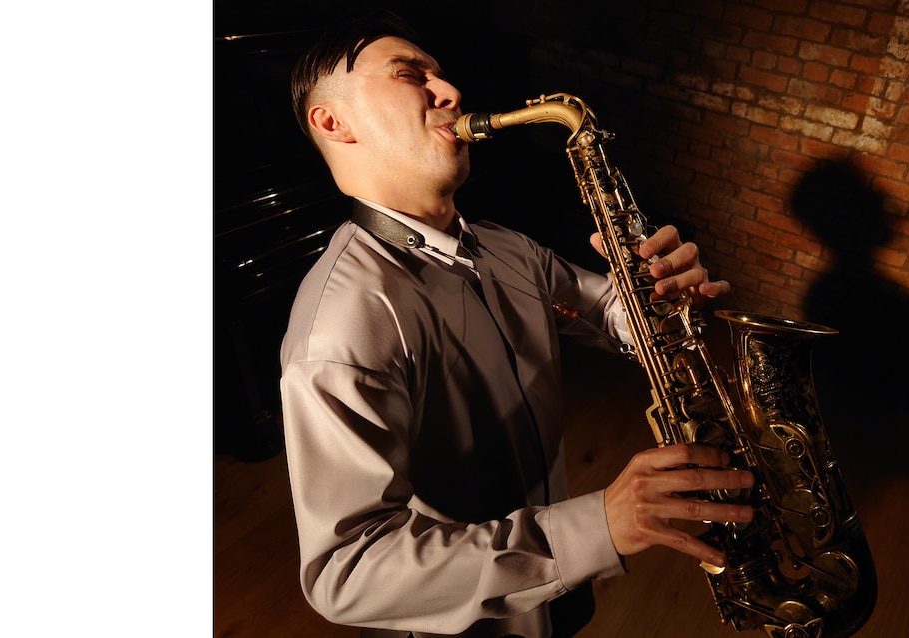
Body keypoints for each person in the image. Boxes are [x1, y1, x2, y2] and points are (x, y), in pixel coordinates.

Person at [278, 10, 752, 638]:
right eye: (409, 74)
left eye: (441, 77)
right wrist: (599, 527)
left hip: (561, 587)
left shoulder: (504, 245)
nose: (449, 93)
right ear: (332, 121)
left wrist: (662, 297)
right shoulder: (341, 323)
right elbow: (347, 571)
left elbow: (608, 309)